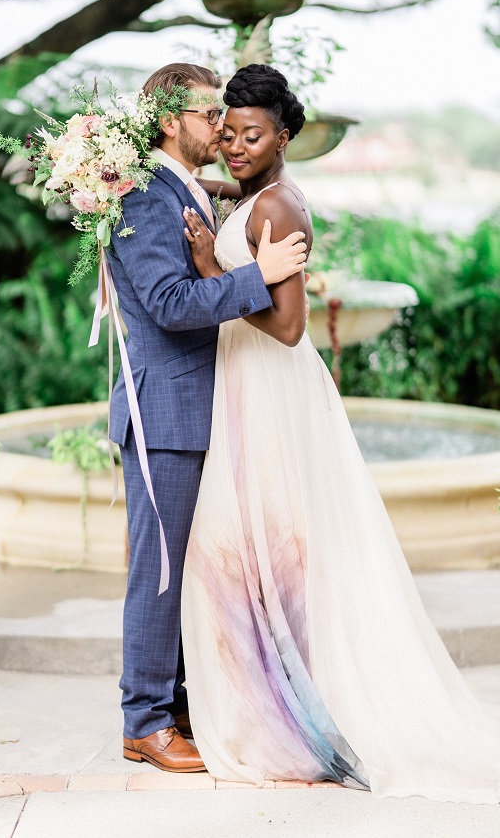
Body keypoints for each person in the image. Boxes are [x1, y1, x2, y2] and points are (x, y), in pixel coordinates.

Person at [180, 63, 500, 803]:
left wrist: (206, 273)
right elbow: (242, 208)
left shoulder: (279, 211)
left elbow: (290, 328)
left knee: (261, 554)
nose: (233, 146)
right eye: (226, 133)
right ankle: (280, 709)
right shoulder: (257, 196)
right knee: (244, 555)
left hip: (269, 384)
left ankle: (292, 724)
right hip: (248, 384)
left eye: (251, 135)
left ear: (285, 137)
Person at [107, 63, 308, 774]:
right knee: (159, 576)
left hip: (203, 410)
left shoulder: (180, 187)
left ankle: (182, 702)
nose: (220, 125)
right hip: (165, 412)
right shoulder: (137, 197)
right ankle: (146, 722)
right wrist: (262, 273)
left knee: (195, 573)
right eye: (207, 112)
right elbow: (168, 303)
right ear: (168, 121)